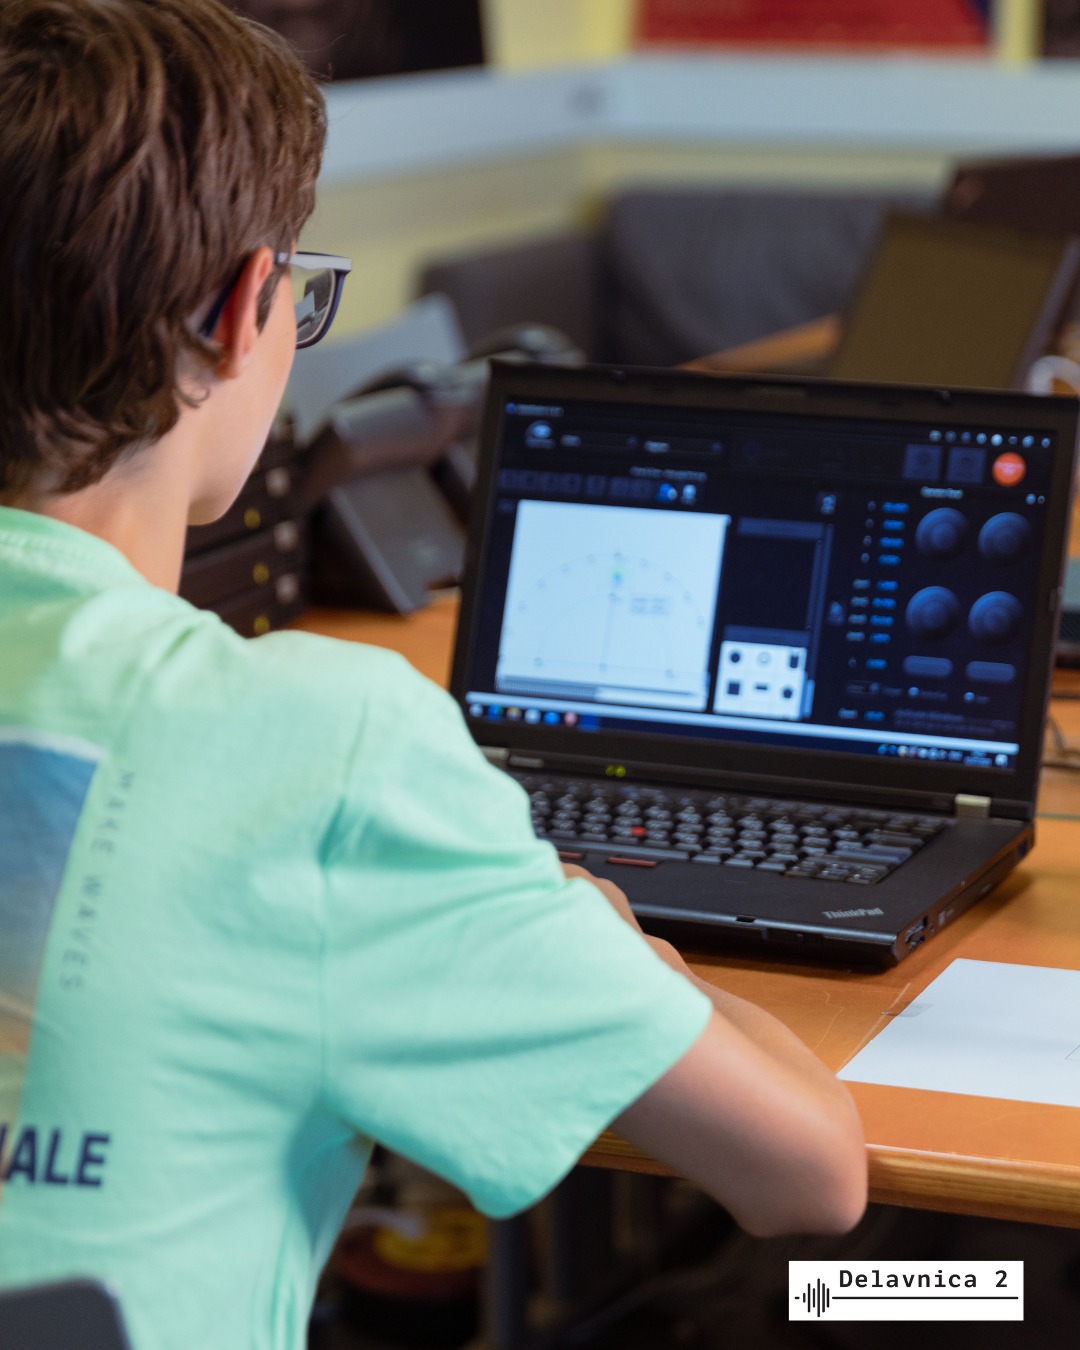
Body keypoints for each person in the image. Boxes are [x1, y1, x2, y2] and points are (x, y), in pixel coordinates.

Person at [0, 3, 866, 1347]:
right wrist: (605, 944)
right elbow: (811, 1175)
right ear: (243, 315)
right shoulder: (315, 746)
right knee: (929, 1299)